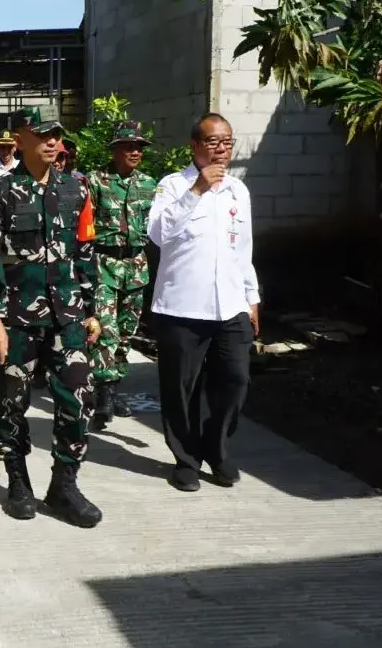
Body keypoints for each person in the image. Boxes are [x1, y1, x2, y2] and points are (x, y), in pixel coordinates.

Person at [0, 105, 103, 528]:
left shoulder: (76, 190)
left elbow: (86, 252)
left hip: (67, 316)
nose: (52, 141)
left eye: (57, 134)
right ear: (20, 138)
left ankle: (64, 484)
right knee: (13, 401)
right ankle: (18, 480)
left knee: (78, 397)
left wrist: (92, 309)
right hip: (16, 316)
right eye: (43, 134)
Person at [148, 113, 260, 493]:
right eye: (213, 142)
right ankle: (186, 459)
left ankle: (216, 445)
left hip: (230, 305)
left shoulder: (238, 191)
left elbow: (242, 249)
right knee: (181, 388)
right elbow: (160, 234)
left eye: (227, 142)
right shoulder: (171, 186)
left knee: (236, 379)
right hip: (182, 307)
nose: (221, 149)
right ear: (194, 145)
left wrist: (252, 296)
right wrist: (196, 189)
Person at [86, 121, 158, 432]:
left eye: (139, 147)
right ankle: (103, 394)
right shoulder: (95, 181)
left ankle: (114, 387)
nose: (135, 152)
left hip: (136, 266)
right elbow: (84, 227)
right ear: (115, 150)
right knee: (105, 330)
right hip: (104, 263)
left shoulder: (149, 184)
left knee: (127, 331)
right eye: (128, 146)